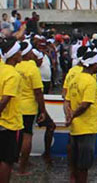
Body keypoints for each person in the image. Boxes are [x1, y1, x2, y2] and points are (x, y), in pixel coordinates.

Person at [65, 50, 97, 183]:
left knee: (75, 160)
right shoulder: (90, 81)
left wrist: (69, 116)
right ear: (92, 65)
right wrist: (72, 115)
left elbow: (67, 101)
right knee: (84, 164)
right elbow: (85, 104)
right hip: (87, 126)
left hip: (75, 127)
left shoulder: (75, 78)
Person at [16, 41, 53, 174]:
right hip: (29, 107)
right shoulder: (32, 68)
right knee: (27, 135)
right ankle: (22, 169)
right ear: (29, 53)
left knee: (18, 135)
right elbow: (38, 92)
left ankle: (21, 161)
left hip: (16, 106)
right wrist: (42, 110)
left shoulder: (15, 65)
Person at [0, 37, 24, 182]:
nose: (21, 53)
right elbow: (5, 99)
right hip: (8, 122)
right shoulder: (13, 75)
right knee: (6, 159)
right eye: (19, 51)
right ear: (14, 55)